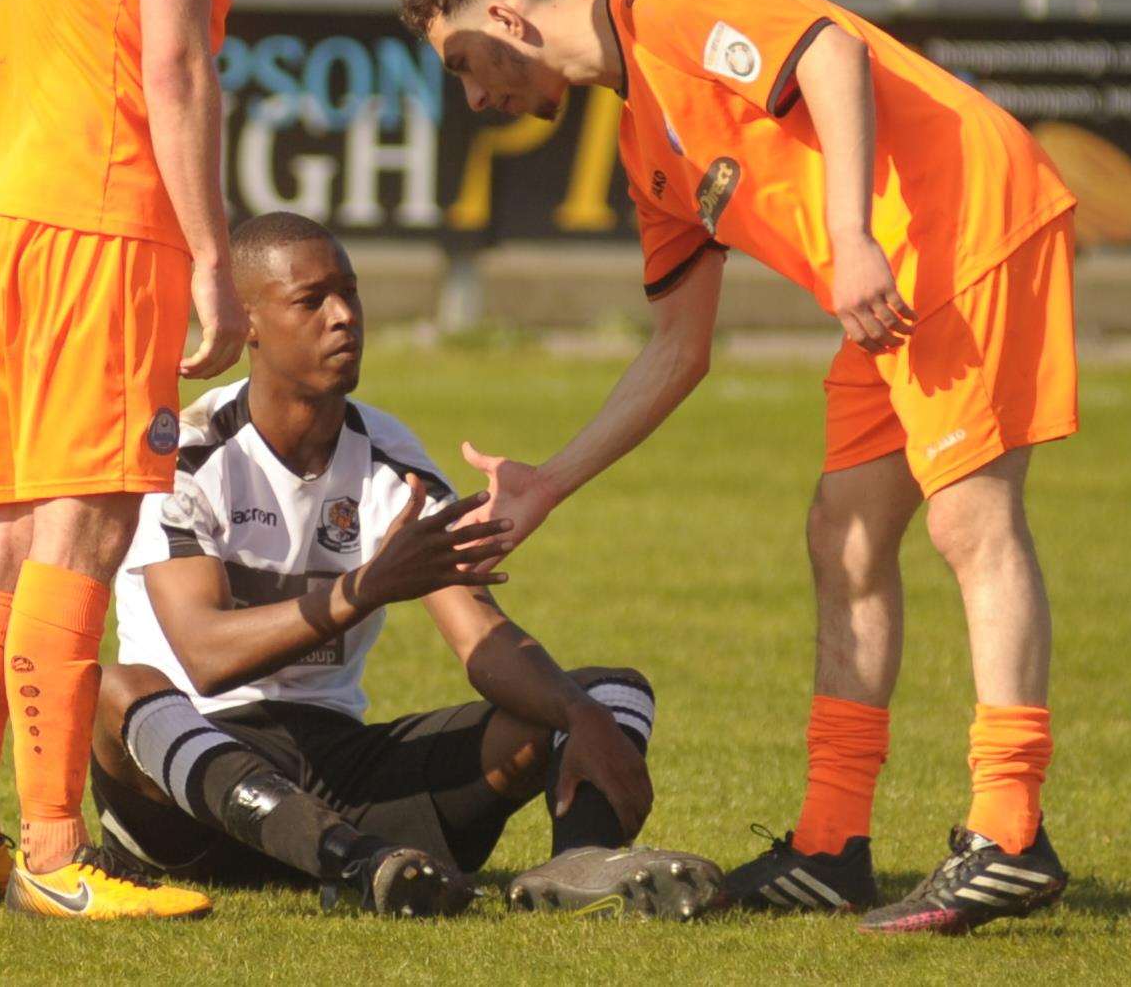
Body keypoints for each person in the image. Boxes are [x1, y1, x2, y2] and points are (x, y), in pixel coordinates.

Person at [400, 0, 1076, 935]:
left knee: (967, 524)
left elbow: (832, 56)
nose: (472, 93)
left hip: (955, 222)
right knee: (841, 536)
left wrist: (846, 238)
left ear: (507, 15)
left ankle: (1008, 831)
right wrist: (549, 482)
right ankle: (830, 842)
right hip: (890, 271)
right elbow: (677, 350)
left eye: (460, 58)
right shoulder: (643, 142)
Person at [89, 212, 723, 919]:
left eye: (350, 294)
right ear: (248, 322)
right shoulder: (188, 453)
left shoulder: (390, 456)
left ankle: (584, 862)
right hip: (196, 786)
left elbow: (478, 638)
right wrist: (367, 588)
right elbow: (204, 655)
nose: (343, 318)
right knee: (116, 691)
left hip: (336, 766)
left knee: (610, 695)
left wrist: (577, 715)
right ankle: (353, 862)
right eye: (312, 300)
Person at [0, 0, 249, 920]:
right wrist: (210, 253)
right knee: (88, 521)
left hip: (14, 204)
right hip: (102, 211)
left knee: (11, 522)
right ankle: (57, 860)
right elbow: (175, 62)